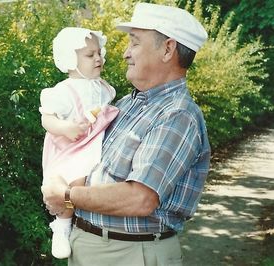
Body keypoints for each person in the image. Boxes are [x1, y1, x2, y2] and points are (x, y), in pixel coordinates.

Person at [42, 3, 211, 265]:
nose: (125, 53)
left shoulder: (177, 114)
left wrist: (66, 195)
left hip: (130, 253)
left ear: (167, 49)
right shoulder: (125, 104)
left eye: (134, 43)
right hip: (91, 244)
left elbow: (140, 199)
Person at [39, 27, 119, 259]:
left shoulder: (102, 87)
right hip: (70, 147)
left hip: (94, 142)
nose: (98, 58)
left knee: (90, 182)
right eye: (89, 55)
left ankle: (81, 221)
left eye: (99, 53)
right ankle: (62, 226)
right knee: (72, 182)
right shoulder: (64, 91)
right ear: (70, 60)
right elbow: (47, 118)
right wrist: (65, 128)